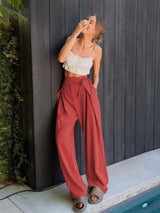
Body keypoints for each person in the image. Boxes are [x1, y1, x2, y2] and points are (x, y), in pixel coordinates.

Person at [55, 13, 109, 212]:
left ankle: (98, 184)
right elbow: (61, 57)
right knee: (62, 139)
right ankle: (77, 190)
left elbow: (96, 74)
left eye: (92, 22)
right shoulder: (72, 41)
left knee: (94, 138)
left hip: (86, 91)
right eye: (88, 18)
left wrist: (93, 89)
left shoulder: (97, 50)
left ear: (96, 31)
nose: (88, 21)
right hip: (67, 91)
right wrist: (76, 31)